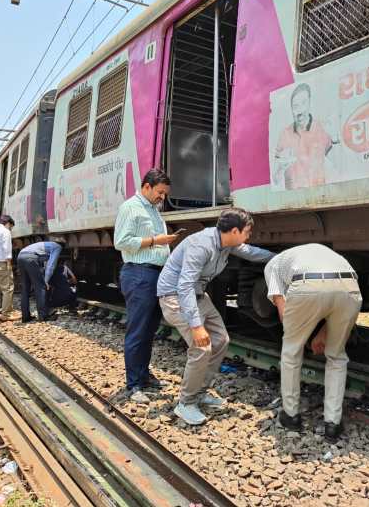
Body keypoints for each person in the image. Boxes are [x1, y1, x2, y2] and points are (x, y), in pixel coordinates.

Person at [157, 208, 275, 425]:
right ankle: (185, 404)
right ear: (234, 230)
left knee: (221, 340)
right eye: (247, 231)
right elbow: (184, 286)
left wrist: (280, 259)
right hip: (176, 297)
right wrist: (196, 325)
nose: (249, 236)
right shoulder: (201, 245)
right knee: (201, 347)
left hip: (199, 295)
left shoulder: (227, 243)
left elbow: (251, 252)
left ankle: (200, 393)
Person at [263, 243, 361, 441]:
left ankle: (291, 416)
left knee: (291, 352)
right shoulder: (318, 252)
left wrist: (304, 337)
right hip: (350, 287)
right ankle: (332, 424)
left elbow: (285, 314)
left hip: (308, 286)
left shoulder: (272, 266)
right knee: (336, 356)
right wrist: (323, 332)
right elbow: (332, 298)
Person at [114, 169, 178, 402]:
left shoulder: (152, 209)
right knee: (138, 331)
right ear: (147, 186)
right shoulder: (130, 207)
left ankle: (143, 375)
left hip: (154, 274)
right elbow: (120, 242)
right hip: (139, 274)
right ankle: (133, 385)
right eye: (160, 192)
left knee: (149, 330)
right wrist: (156, 241)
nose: (163, 197)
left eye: (165, 194)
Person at [273, 83, 335, 190]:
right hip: (293, 201)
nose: (299, 111)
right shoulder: (284, 135)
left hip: (320, 197)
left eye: (303, 103)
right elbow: (275, 180)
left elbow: (339, 167)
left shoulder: (321, 129)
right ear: (291, 109)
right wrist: (280, 169)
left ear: (309, 103)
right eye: (295, 106)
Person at [17, 237, 65, 322]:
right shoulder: (58, 247)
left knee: (25, 289)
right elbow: (51, 265)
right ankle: (43, 316)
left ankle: (25, 317)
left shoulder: (47, 245)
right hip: (31, 258)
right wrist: (45, 281)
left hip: (20, 256)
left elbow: (45, 263)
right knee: (40, 287)